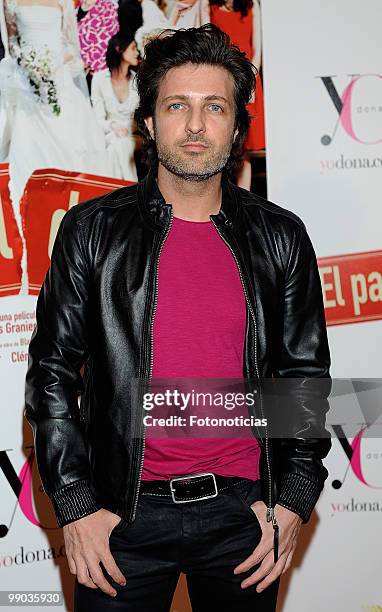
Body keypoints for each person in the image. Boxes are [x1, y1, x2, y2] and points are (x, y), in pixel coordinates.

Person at [24, 24, 332, 611]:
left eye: (214, 106)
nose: (195, 125)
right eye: (176, 106)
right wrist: (75, 504)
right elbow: (52, 373)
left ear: (237, 126)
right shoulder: (91, 232)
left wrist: (292, 500)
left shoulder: (282, 238)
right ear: (149, 122)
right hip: (120, 520)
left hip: (244, 520)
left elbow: (305, 377)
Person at [0, 0, 110, 293]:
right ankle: (26, 236)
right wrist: (30, 66)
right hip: (26, 86)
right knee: (24, 150)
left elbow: (71, 46)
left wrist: (53, 64)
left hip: (57, 83)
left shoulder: (62, 1)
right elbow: (11, 43)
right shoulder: (10, 1)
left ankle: (68, 239)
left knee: (68, 153)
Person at [209, 0, 265, 190]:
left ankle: (243, 199)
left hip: (248, 78)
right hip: (220, 78)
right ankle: (219, 196)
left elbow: (257, 50)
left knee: (243, 146)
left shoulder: (251, 6)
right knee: (219, 140)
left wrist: (249, 80)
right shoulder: (209, 5)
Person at [91, 33, 140, 181]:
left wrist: (126, 129)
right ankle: (128, 195)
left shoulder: (138, 81)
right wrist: (113, 126)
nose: (137, 52)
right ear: (119, 49)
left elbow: (143, 117)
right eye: (133, 48)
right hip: (109, 133)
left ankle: (111, 196)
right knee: (115, 146)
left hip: (134, 135)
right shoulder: (99, 79)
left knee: (119, 146)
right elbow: (97, 118)